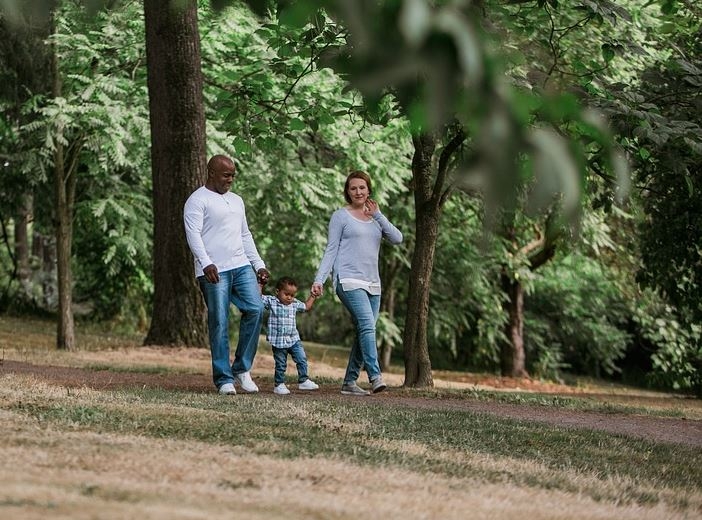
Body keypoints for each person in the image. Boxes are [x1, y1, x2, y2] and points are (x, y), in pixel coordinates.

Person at [183, 154, 270, 396]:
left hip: (241, 265)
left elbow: (245, 235)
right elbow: (193, 234)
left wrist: (258, 265)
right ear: (211, 173)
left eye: (233, 175)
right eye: (226, 175)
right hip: (213, 270)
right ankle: (224, 379)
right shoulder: (197, 200)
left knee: (255, 309)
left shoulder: (237, 200)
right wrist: (206, 262)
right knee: (219, 321)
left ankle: (242, 369)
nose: (231, 179)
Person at [311, 170, 403, 396]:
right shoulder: (340, 216)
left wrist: (379, 215)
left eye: (362, 187)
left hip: (373, 283)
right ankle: (375, 376)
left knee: (365, 330)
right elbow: (331, 249)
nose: (358, 192)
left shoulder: (376, 218)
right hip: (348, 279)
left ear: (369, 190)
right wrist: (319, 279)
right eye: (353, 188)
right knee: (366, 325)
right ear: (347, 192)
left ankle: (349, 382)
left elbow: (397, 239)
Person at [261, 276, 320, 395]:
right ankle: (279, 385)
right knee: (281, 364)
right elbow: (258, 297)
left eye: (292, 295)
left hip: (293, 339)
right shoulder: (272, 301)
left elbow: (306, 307)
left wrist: (313, 296)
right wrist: (260, 284)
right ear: (278, 292)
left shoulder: (294, 303)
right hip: (278, 341)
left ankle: (303, 380)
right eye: (286, 294)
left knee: (302, 358)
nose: (289, 297)